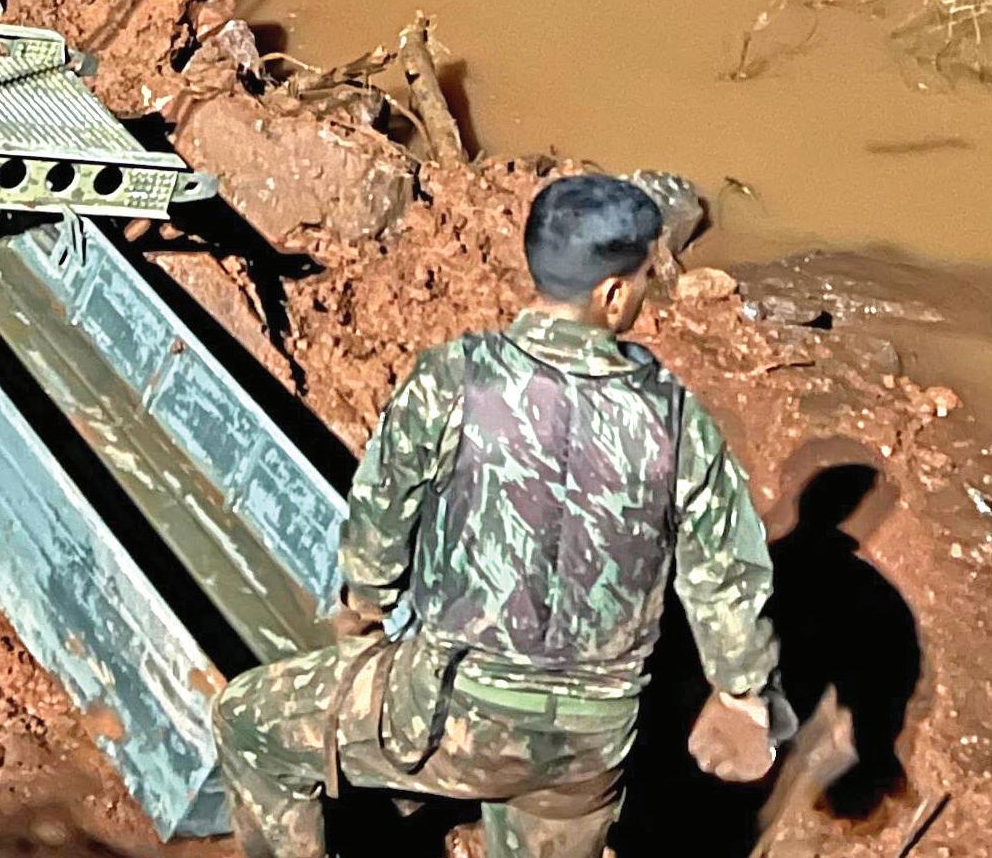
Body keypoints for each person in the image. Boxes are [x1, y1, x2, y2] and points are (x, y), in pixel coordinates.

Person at [211, 174, 784, 858]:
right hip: (587, 750)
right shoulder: (678, 418)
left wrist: (364, 607)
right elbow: (726, 581)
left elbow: (379, 519)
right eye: (642, 280)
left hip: (450, 718)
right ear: (612, 294)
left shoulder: (452, 379)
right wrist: (742, 694)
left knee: (247, 723)